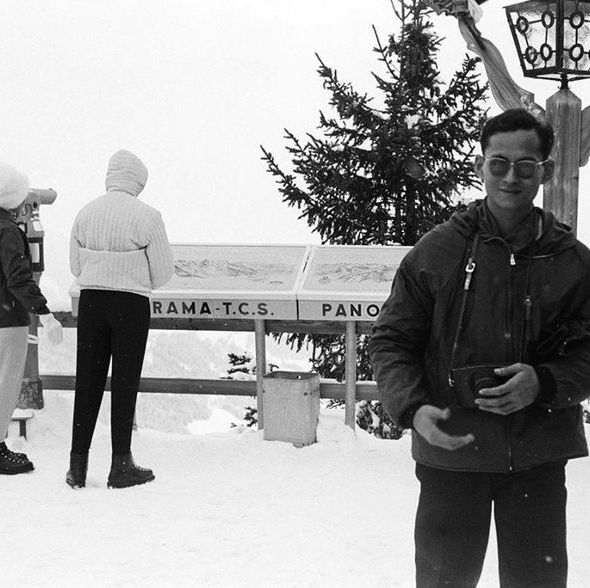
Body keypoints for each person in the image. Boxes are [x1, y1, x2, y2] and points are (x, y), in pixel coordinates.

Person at [368, 108, 590, 588]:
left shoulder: (572, 262)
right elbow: (391, 339)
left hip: (537, 456)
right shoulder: (439, 251)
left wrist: (544, 382)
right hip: (452, 450)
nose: (511, 177)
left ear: (546, 171)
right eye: (499, 163)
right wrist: (412, 408)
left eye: (526, 165)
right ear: (480, 166)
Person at [67, 149, 174, 489]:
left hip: (92, 301)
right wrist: (135, 277)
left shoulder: (86, 212)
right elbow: (163, 271)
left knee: (87, 380)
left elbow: (75, 266)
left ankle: (77, 465)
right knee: (125, 382)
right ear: (138, 181)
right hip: (131, 303)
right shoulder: (148, 216)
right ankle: (121, 463)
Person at [0, 162, 63, 475]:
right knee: (6, 382)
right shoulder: (9, 231)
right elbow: (19, 278)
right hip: (8, 318)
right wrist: (45, 313)